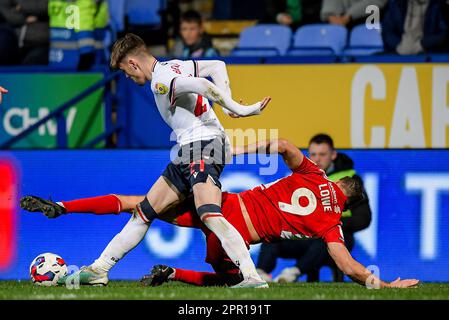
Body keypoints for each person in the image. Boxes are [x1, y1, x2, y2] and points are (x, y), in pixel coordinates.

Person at [21, 33, 271, 288]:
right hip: (189, 150)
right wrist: (228, 107)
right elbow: (217, 66)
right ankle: (100, 269)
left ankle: (252, 277)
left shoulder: (160, 82)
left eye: (126, 72)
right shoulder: (174, 65)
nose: (128, 78)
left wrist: (239, 110)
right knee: (143, 212)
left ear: (133, 63)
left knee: (208, 213)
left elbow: (203, 86)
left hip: (203, 146)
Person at [21, 138, 418, 289]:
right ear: (348, 202)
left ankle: (63, 206)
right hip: (232, 236)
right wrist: (380, 285)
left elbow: (281, 144)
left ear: (338, 180)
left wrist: (233, 152)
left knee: (143, 204)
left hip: (225, 204)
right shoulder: (332, 222)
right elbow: (346, 264)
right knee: (228, 281)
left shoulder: (313, 172)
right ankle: (181, 275)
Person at [256, 134, 371, 283]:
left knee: (323, 238)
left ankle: (293, 273)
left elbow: (363, 219)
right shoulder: (306, 174)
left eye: (322, 154)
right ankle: (260, 273)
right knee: (273, 231)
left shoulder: (350, 181)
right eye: (313, 154)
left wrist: (326, 222)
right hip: (305, 234)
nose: (317, 159)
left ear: (333, 155)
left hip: (334, 235)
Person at [382, 0, 449, 55]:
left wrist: (422, 44)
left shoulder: (440, 5)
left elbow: (443, 33)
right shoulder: (396, 4)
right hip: (398, 52)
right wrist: (399, 44)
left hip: (431, 53)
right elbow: (387, 31)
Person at [0, 0, 49, 65]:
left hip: (40, 42)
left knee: (31, 63)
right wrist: (25, 18)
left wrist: (21, 7)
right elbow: (7, 13)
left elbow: (47, 6)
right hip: (13, 39)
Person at [321, 0, 387, 28]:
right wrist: (330, 14)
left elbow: (377, 1)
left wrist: (348, 16)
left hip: (372, 24)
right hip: (338, 23)